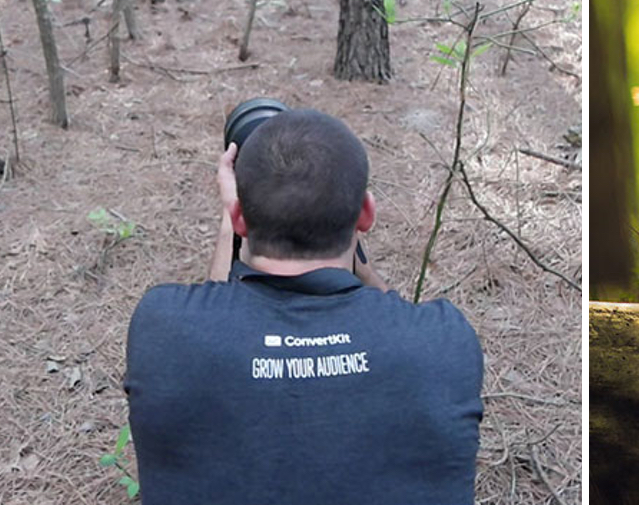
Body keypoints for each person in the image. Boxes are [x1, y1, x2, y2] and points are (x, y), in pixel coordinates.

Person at [124, 109, 484, 504]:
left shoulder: (163, 328)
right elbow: (391, 314)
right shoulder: (445, 341)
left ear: (240, 218)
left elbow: (212, 315)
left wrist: (233, 219)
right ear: (366, 214)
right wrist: (358, 259)